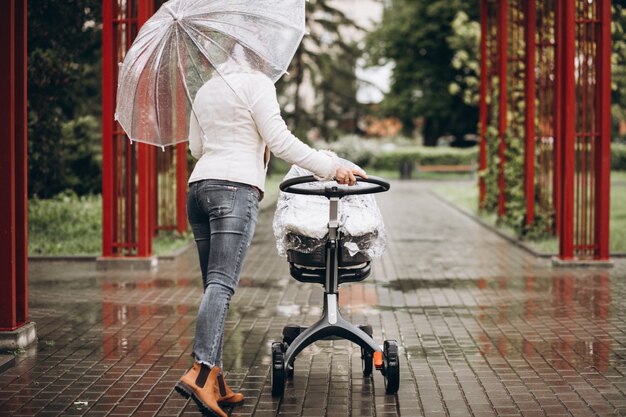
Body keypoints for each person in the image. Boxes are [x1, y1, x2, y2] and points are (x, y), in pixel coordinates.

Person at [174, 61, 366, 417]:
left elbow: (197, 148)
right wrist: (331, 167)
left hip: (198, 189)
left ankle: (215, 379)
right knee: (221, 285)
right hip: (235, 189)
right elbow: (280, 141)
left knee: (213, 285)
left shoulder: (204, 90)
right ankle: (201, 373)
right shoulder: (257, 84)